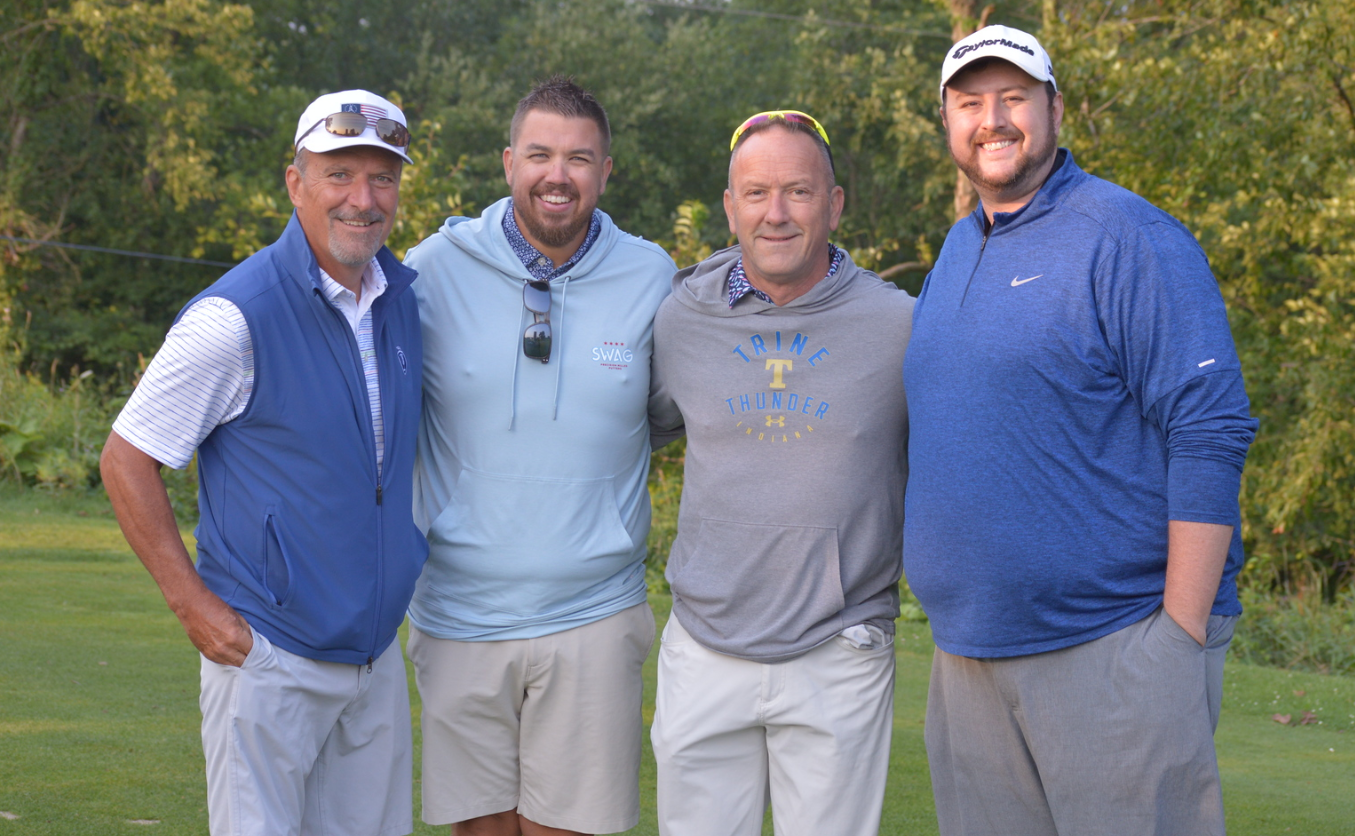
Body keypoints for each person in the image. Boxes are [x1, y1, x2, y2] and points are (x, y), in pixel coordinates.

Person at [904, 25, 1260, 836]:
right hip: (969, 659)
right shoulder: (959, 249)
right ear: (948, 125)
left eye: (1012, 99)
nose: (990, 119)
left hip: (1113, 646)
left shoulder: (1125, 235)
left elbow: (1209, 426)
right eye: (969, 104)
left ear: (1054, 109)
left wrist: (1176, 637)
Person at [99, 90, 426, 836]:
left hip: (373, 661)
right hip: (269, 660)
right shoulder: (235, 315)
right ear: (295, 182)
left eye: (382, 178)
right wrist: (197, 611)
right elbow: (126, 460)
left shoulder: (399, 299)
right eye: (338, 174)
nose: (362, 199)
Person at [401, 76, 676, 836]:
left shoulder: (652, 277)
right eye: (540, 154)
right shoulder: (429, 270)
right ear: (507, 162)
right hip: (458, 616)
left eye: (580, 158)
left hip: (594, 614)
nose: (558, 175)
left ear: (606, 171)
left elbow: (669, 415)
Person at [647, 110, 914, 836]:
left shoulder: (900, 327)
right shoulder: (679, 319)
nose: (776, 213)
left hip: (840, 648)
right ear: (729, 207)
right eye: (755, 193)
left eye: (798, 192)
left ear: (833, 204)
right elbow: (630, 428)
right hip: (703, 646)